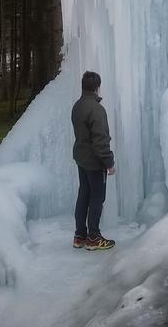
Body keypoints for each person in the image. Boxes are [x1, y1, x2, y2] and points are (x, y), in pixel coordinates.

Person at [71, 71, 116, 251]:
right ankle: (93, 237)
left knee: (84, 195)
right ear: (98, 87)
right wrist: (109, 162)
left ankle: (80, 235)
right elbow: (101, 140)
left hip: (81, 158)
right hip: (95, 162)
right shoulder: (97, 109)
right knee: (97, 198)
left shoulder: (78, 105)